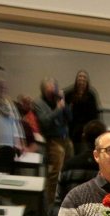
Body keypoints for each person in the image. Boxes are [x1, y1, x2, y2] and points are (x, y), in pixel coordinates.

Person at [33, 77, 73, 206]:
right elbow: (45, 121)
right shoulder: (38, 103)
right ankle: (49, 206)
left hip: (65, 138)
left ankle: (66, 201)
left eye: (54, 91)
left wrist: (63, 102)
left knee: (70, 170)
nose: (52, 94)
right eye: (49, 92)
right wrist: (58, 109)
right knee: (55, 172)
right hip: (52, 140)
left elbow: (70, 117)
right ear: (44, 91)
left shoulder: (58, 100)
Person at [0, 77, 25, 174]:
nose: (3, 90)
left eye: (5, 88)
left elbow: (14, 124)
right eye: (0, 87)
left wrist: (17, 143)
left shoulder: (8, 104)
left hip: (8, 147)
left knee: (8, 174)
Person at [64, 70, 100, 152]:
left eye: (84, 80)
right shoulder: (70, 94)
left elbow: (95, 114)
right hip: (72, 128)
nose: (81, 82)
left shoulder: (90, 95)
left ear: (87, 82)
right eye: (79, 80)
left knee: (83, 150)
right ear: (76, 81)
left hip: (86, 128)